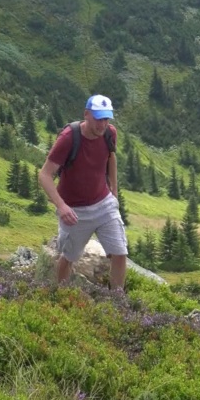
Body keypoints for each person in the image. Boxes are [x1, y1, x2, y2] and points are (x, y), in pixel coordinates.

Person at [38, 94, 127, 290]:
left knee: (120, 252)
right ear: (86, 114)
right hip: (74, 211)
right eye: (98, 118)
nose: (102, 124)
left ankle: (118, 302)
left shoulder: (110, 133)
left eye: (106, 119)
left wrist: (114, 191)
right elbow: (44, 175)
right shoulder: (69, 138)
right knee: (69, 258)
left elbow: (111, 157)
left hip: (104, 203)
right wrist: (61, 207)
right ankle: (60, 294)